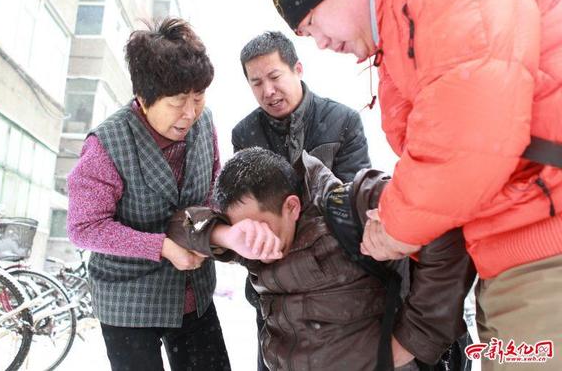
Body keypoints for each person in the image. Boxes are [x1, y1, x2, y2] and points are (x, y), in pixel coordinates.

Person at [268, 0, 562, 369]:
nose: (321, 43)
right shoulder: (410, 11)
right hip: (513, 244)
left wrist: (394, 226)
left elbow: (470, 134)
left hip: (545, 242)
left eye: (312, 23)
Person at [167, 147, 475, 371]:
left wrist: (413, 343)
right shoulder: (244, 240)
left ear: (291, 207)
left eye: (260, 228)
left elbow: (444, 230)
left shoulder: (351, 206)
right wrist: (224, 235)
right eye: (243, 231)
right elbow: (180, 224)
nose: (255, 243)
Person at [66, 18, 230, 371]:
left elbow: (215, 187)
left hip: (193, 291)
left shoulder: (205, 124)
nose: (190, 113)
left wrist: (216, 232)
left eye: (198, 97)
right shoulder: (107, 144)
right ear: (143, 97)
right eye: (177, 102)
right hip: (128, 298)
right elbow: (84, 227)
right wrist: (162, 247)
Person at [233, 30, 371, 371]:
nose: (268, 91)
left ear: (298, 68)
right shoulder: (244, 134)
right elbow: (246, 209)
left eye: (274, 77)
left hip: (335, 284)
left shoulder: (342, 122)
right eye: (256, 83)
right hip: (272, 285)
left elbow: (352, 203)